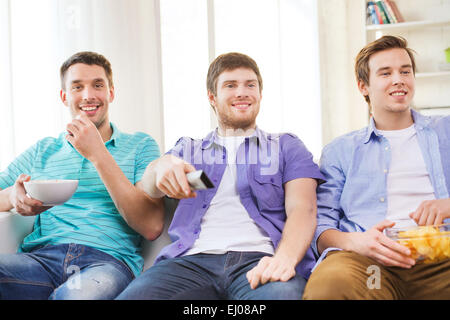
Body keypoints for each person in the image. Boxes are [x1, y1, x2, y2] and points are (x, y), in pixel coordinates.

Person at [116, 52, 324, 300]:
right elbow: (149, 186)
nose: (242, 92)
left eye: (250, 85)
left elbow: (304, 209)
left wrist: (285, 258)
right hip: (191, 263)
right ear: (212, 97)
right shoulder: (187, 149)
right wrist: (160, 167)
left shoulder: (287, 146)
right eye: (230, 85)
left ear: (260, 94)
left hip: (261, 259)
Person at [0, 51, 164, 300]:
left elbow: (151, 226)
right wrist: (14, 197)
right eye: (78, 87)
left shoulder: (140, 146)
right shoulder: (43, 150)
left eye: (98, 85)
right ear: (65, 97)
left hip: (106, 263)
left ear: (111, 92)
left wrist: (98, 153)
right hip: (40, 260)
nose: (88, 95)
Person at [303, 35, 450, 300]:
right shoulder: (340, 151)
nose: (399, 79)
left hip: (441, 261)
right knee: (329, 286)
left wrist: (447, 204)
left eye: (405, 71)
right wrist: (355, 242)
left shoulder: (446, 131)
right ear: (363, 86)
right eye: (386, 73)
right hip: (368, 263)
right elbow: (321, 227)